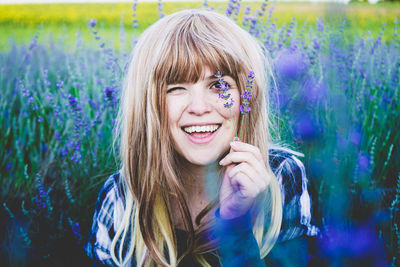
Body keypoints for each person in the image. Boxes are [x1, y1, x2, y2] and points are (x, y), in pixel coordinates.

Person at [85, 9, 318, 267]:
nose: (199, 107)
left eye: (220, 86)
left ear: (246, 97)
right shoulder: (122, 201)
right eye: (175, 88)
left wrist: (236, 224)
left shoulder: (281, 177)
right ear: (148, 105)